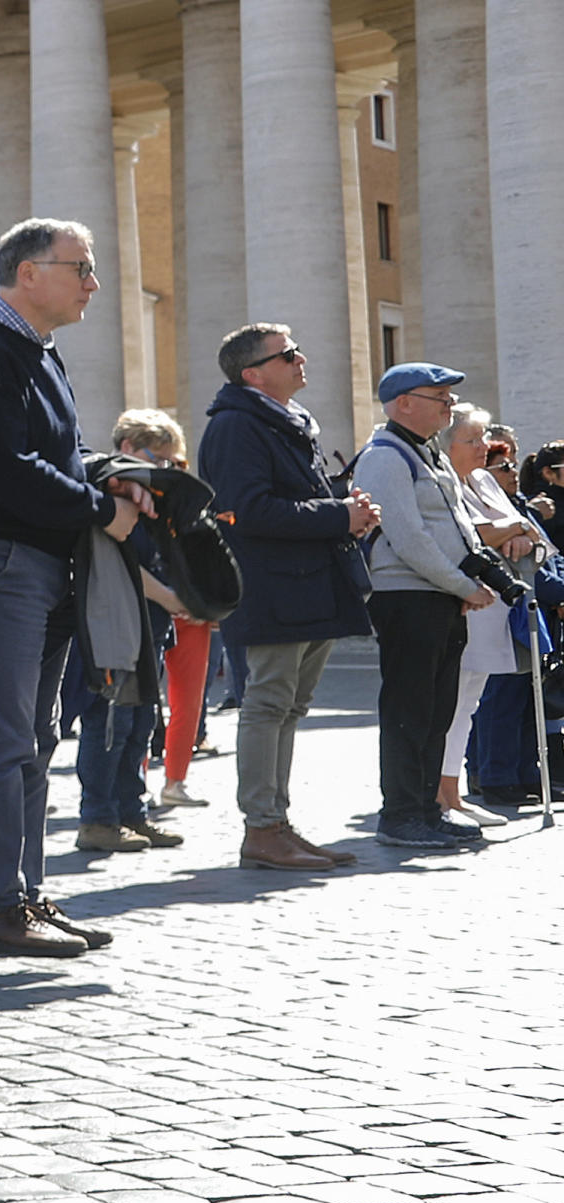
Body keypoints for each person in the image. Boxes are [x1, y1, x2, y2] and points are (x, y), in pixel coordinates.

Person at [0, 219, 147, 959]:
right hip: (4, 561)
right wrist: (102, 507)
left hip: (44, 563)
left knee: (35, 737)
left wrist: (110, 474)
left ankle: (24, 895)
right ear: (29, 272)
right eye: (81, 267)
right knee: (1, 740)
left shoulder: (37, 352)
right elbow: (8, 468)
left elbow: (51, 456)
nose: (93, 281)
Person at [197, 322, 379, 869]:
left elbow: (289, 499)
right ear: (253, 374)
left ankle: (277, 821)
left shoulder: (282, 422)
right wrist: (338, 515)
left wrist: (347, 508)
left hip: (306, 585)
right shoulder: (237, 426)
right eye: (287, 354)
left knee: (290, 705)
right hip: (271, 588)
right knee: (269, 702)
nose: (301, 359)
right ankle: (262, 827)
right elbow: (246, 510)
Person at [353, 364, 502, 849]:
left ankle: (427, 808)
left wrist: (466, 580)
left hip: (436, 596)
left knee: (438, 710)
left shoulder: (428, 454)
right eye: (438, 397)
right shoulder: (385, 455)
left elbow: (456, 526)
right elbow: (409, 537)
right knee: (409, 710)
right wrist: (461, 585)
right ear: (404, 403)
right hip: (406, 597)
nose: (449, 405)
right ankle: (400, 815)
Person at [74, 410, 192, 855]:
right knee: (110, 725)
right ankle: (98, 818)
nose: (164, 469)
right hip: (116, 626)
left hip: (150, 628)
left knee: (141, 724)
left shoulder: (154, 500)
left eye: (172, 462)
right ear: (127, 448)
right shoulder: (110, 491)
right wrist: (168, 597)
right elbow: (121, 562)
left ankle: (131, 813)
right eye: (156, 458)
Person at [439, 404, 546, 822]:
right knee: (450, 703)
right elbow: (475, 535)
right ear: (447, 446)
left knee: (469, 702)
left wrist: (517, 531)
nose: (485, 447)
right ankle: (441, 796)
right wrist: (514, 530)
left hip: (497, 607)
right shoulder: (443, 480)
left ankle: (455, 796)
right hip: (464, 602)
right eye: (473, 440)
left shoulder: (483, 479)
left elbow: (530, 531)